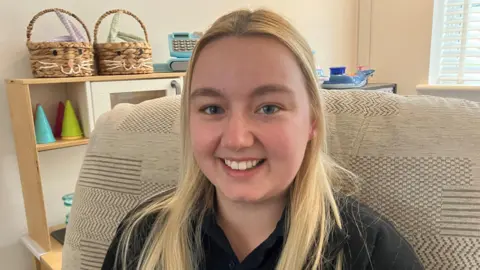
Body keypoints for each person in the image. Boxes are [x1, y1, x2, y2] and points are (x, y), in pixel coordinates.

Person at [101, 8, 424, 270]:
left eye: (269, 107)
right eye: (212, 108)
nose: (238, 139)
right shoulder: (142, 236)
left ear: (311, 120)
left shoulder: (371, 250)